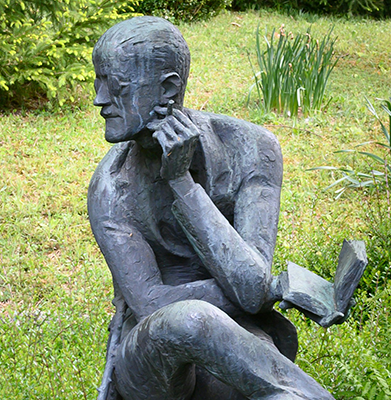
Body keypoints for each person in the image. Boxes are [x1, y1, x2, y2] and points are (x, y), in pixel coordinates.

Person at [88, 17, 335, 400]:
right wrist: (267, 289)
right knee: (190, 319)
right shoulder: (111, 186)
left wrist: (181, 183)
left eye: (116, 85)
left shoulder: (252, 150)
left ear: (168, 88)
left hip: (235, 331)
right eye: (97, 81)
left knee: (244, 374)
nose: (99, 99)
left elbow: (250, 289)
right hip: (150, 355)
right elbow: (152, 303)